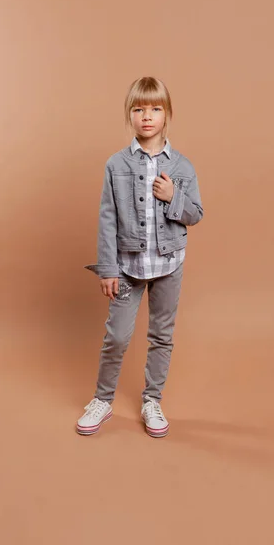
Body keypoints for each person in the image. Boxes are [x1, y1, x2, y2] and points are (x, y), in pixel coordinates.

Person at [77, 76, 204, 437]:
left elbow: (195, 214)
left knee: (162, 335)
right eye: (139, 109)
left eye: (155, 109)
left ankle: (152, 400)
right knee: (117, 336)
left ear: (167, 115)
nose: (147, 116)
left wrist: (171, 197)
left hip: (168, 264)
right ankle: (102, 400)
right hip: (128, 267)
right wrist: (107, 268)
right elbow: (107, 218)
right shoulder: (116, 164)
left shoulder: (182, 166)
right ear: (129, 115)